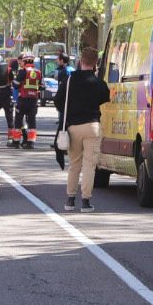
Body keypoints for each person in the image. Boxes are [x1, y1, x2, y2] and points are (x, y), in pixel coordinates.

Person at [55, 46, 111, 212]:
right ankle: (86, 202)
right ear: (95, 64)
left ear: (80, 61)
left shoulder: (70, 80)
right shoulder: (99, 83)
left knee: (74, 164)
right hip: (92, 126)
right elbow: (105, 97)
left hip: (73, 127)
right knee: (89, 165)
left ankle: (70, 200)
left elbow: (58, 101)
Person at [12, 53, 42, 148]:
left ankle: (16, 142)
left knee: (18, 120)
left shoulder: (23, 71)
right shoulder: (38, 72)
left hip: (23, 100)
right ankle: (30, 143)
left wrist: (14, 80)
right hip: (33, 101)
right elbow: (42, 87)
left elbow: (16, 85)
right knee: (32, 122)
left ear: (24, 61)